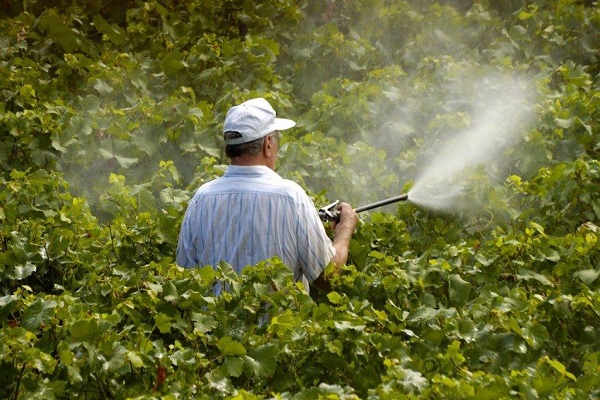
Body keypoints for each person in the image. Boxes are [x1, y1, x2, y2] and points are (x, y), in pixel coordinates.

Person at [176, 97, 358, 295]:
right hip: (279, 326)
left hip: (217, 326)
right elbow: (328, 278)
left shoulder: (201, 199)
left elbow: (184, 280)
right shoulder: (291, 197)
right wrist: (345, 228)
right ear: (268, 144)